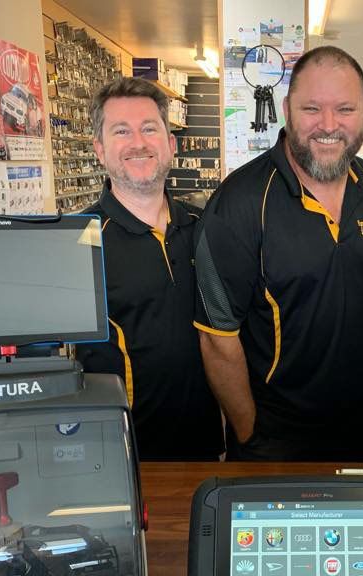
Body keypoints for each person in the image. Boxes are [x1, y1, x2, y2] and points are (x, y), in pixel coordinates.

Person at [193, 46, 363, 462]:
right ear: (286, 110)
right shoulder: (238, 203)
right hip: (275, 443)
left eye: (345, 108)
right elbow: (217, 338)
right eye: (311, 108)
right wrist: (251, 434)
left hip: (358, 433)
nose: (328, 125)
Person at [75, 77, 223, 460]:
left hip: (206, 446)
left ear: (170, 145)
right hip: (123, 455)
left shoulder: (204, 227)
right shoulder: (79, 241)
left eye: (149, 129)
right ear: (100, 149)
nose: (138, 142)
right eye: (121, 131)